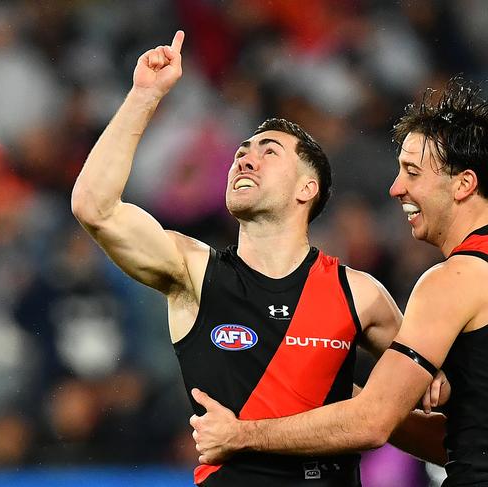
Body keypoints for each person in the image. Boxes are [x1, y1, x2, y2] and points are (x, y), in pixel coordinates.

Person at [71, 31, 449, 486]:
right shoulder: (194, 271)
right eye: (240, 154)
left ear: (307, 190)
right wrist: (144, 95)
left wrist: (364, 408)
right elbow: (94, 207)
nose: (245, 161)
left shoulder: (360, 294)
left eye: (268, 152)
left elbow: (433, 401)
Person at [190, 78, 488, 486]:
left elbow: (371, 424)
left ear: (463, 184)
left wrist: (242, 435)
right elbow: (472, 441)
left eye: (412, 172)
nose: (396, 188)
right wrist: (344, 394)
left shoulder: (454, 279)